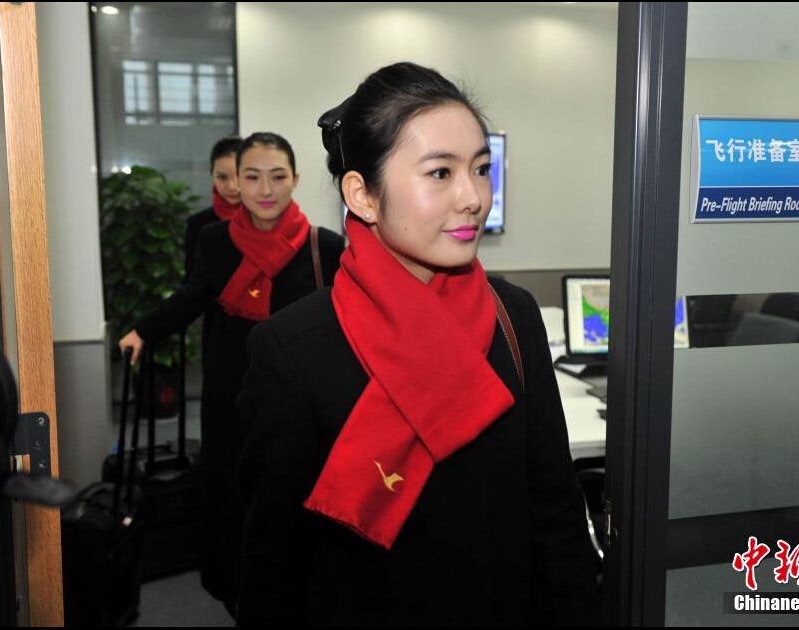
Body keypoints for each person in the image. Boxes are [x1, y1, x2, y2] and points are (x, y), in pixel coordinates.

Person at [237, 62, 599, 626]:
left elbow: (556, 516)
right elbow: (274, 570)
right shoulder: (293, 350)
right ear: (363, 195)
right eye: (440, 173)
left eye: (481, 169)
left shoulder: (514, 317)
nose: (472, 197)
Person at [118, 132, 345, 615]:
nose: (266, 188)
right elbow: (192, 297)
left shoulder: (324, 246)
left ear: (296, 181)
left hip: (296, 399)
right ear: (235, 184)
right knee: (228, 495)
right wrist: (144, 331)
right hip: (227, 393)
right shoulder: (215, 240)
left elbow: (345, 317)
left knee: (290, 495)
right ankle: (233, 592)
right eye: (253, 176)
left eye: (278, 176)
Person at [185, 135, 243, 280]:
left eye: (240, 175)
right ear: (212, 175)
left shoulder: (266, 220)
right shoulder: (198, 224)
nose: (232, 186)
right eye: (222, 177)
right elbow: (192, 281)